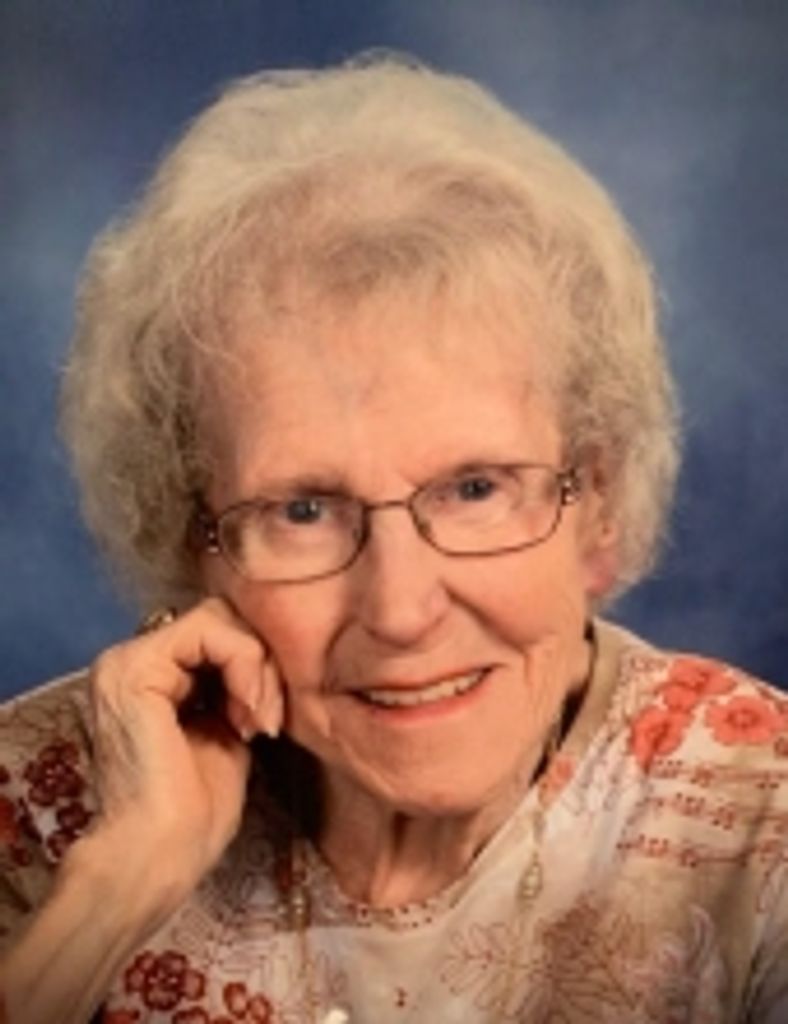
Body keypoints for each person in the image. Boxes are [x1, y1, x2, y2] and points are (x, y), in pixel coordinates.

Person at [1, 53, 786, 1024]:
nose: (402, 610)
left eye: (474, 489)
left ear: (596, 500)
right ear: (191, 539)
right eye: (301, 510)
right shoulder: (35, 804)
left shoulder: (760, 819)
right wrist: (114, 890)